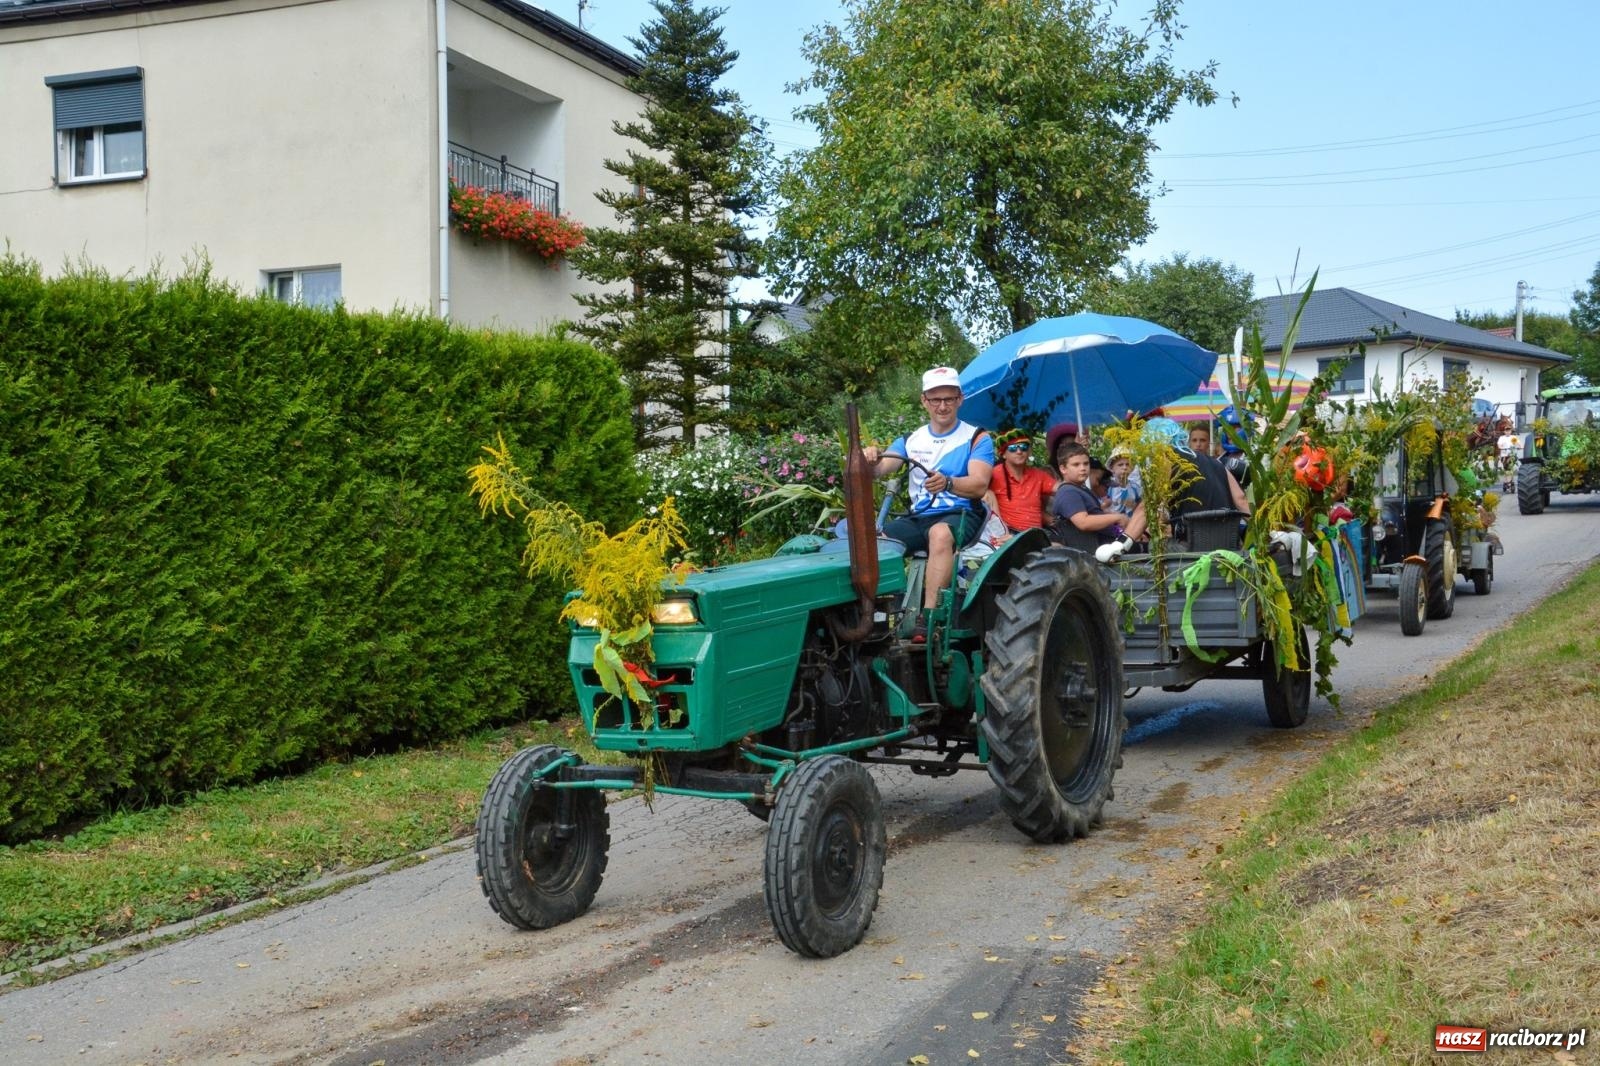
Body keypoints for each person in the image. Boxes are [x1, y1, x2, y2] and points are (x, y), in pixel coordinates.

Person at [863, 366, 996, 642]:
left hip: (961, 513)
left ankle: (928, 618)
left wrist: (949, 483)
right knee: (875, 542)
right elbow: (882, 468)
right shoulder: (911, 440)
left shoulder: (977, 438)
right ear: (924, 401)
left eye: (949, 399)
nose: (943, 406)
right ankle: (876, 615)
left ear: (960, 399)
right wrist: (870, 459)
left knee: (939, 533)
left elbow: (980, 484)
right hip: (920, 517)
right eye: (936, 399)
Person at [1095, 417, 1248, 563]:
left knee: (1154, 546)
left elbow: (1147, 507)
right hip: (1229, 545)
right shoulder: (1217, 464)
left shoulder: (1165, 461)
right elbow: (1240, 498)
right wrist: (1267, 534)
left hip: (1190, 547)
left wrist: (1121, 544)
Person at [1052, 443, 1147, 555]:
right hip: (1099, 551)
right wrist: (1117, 517)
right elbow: (1083, 522)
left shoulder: (1080, 489)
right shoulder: (1068, 492)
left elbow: (1094, 514)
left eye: (1086, 464)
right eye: (1076, 465)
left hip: (1108, 543)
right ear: (1063, 469)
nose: (1082, 468)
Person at [988, 428, 1057, 535]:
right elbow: (978, 494)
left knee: (1062, 548)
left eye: (1023, 447)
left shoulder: (1038, 475)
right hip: (1007, 536)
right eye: (1013, 448)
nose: (1019, 451)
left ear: (1029, 452)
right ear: (1003, 454)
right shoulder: (993, 474)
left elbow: (1062, 489)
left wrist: (1075, 457)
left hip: (1036, 536)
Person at [1105, 449, 1141, 519]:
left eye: (1127, 464)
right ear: (1112, 468)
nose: (1124, 467)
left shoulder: (1135, 487)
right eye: (1120, 465)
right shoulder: (1108, 487)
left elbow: (1139, 506)